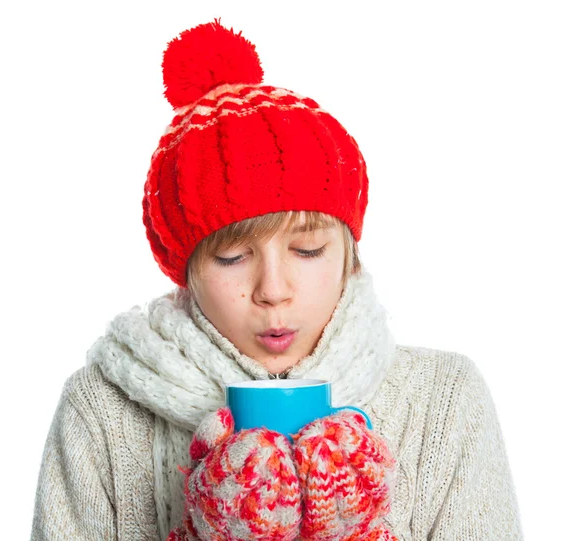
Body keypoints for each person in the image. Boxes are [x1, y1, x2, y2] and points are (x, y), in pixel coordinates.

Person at [30, 18, 524, 541]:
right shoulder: (102, 411)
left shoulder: (443, 402)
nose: (273, 289)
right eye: (232, 258)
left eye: (307, 249)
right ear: (186, 274)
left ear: (349, 256)